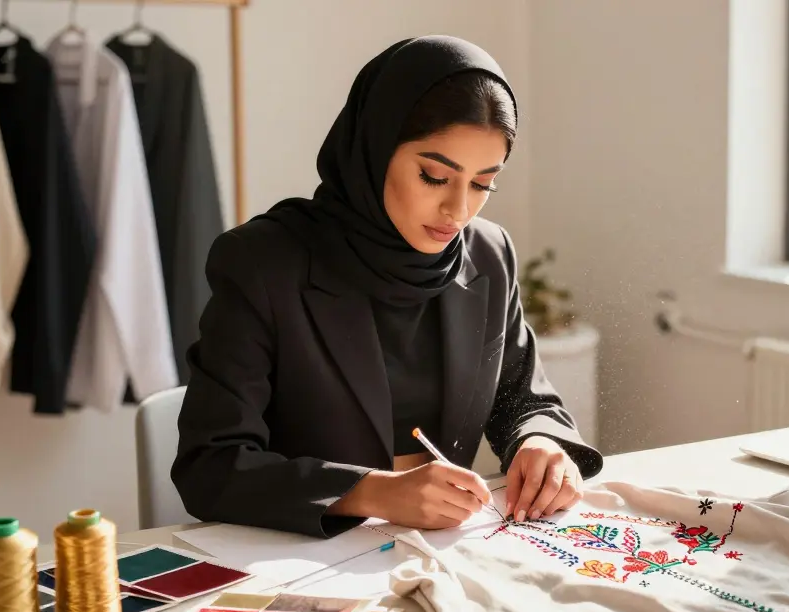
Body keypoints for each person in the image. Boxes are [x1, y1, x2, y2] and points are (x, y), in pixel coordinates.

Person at [171, 36, 603, 538]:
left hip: (443, 550)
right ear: (374, 149)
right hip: (301, 554)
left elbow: (524, 399)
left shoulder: (488, 253)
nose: (458, 211)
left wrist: (541, 443)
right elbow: (210, 467)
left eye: (483, 184)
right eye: (434, 176)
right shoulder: (264, 263)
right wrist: (372, 493)